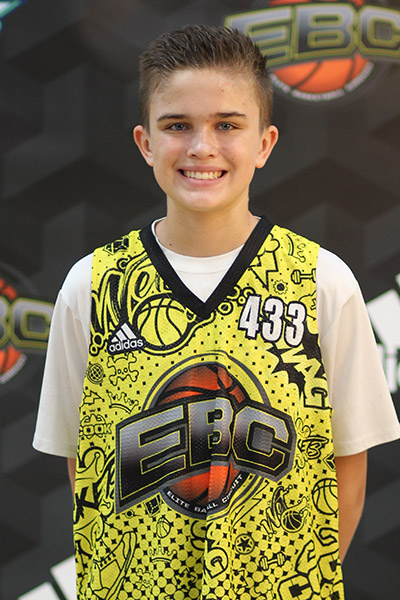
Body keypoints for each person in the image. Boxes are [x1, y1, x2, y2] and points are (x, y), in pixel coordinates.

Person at [33, 24, 400, 600]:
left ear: (264, 144)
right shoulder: (92, 285)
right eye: (177, 125)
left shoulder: (321, 281)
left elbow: (348, 470)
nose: (202, 147)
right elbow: (86, 465)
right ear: (145, 143)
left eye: (227, 125)